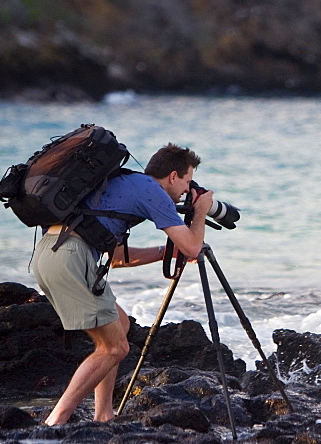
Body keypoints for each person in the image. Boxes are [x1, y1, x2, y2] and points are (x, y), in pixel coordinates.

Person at [31, 143, 215, 426]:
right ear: (173, 176)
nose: (186, 191)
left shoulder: (125, 183)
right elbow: (192, 247)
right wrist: (200, 211)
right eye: (188, 182)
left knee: (121, 324)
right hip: (71, 259)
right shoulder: (152, 191)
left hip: (50, 254)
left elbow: (116, 259)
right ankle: (56, 421)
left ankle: (104, 414)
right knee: (115, 348)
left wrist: (164, 252)